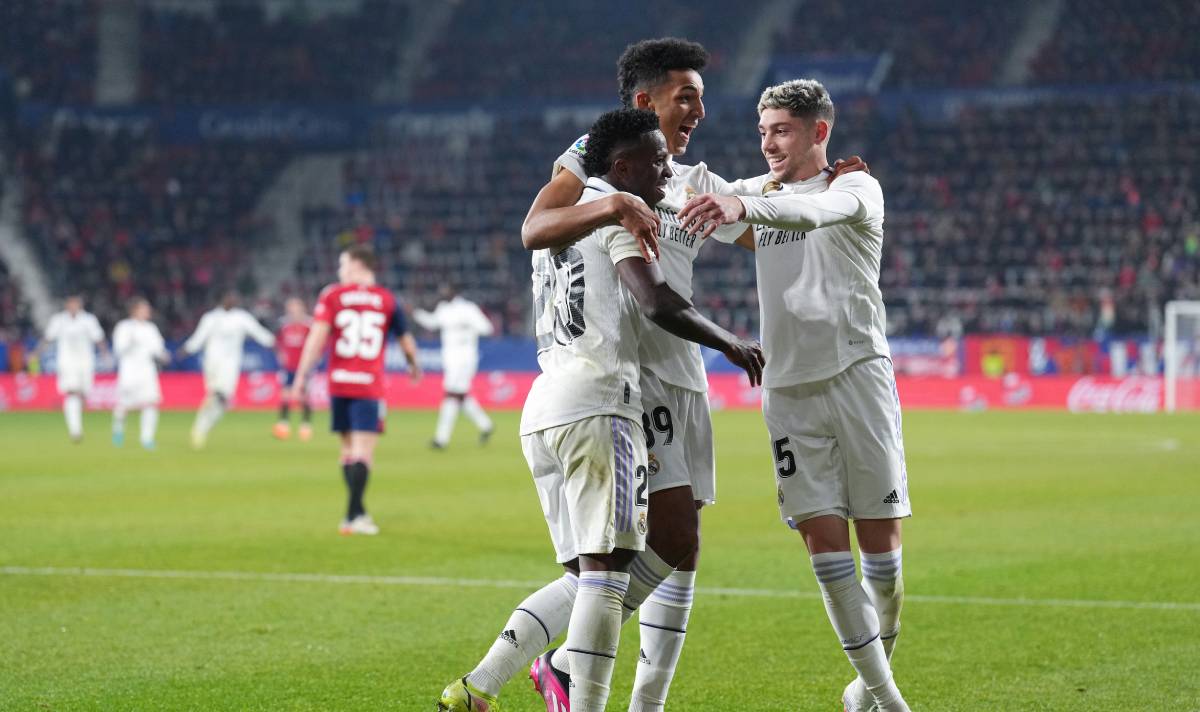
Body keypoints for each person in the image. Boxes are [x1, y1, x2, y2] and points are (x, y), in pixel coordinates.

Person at [519, 37, 867, 712]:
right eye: (687, 96)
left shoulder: (692, 181)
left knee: (680, 545)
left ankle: (622, 692)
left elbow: (765, 227)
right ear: (645, 100)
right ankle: (535, 669)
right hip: (627, 377)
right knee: (621, 559)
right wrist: (618, 205)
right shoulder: (600, 159)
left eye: (702, 97)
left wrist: (825, 184)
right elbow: (539, 224)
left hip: (683, 379)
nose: (701, 110)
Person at [438, 108, 763, 712]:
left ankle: (479, 687)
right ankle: (568, 691)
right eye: (656, 159)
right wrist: (733, 344)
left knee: (594, 578)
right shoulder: (616, 208)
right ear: (620, 165)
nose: (666, 168)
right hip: (600, 406)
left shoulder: (563, 220)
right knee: (607, 582)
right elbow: (655, 298)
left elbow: (537, 228)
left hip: (546, 408)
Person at [678, 79, 911, 712]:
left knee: (884, 565)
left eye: (782, 130)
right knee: (824, 547)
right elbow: (684, 187)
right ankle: (890, 702)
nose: (769, 144)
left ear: (819, 132)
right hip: (786, 390)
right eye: (762, 132)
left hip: (859, 376)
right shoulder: (754, 193)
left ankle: (868, 686)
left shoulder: (855, 188)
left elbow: (813, 212)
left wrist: (741, 209)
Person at [289, 246, 421, 536]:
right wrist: (414, 366)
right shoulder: (386, 300)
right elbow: (406, 340)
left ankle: (356, 512)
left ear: (358, 265)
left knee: (347, 451)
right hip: (368, 385)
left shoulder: (333, 295)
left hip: (338, 383)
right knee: (363, 454)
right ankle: (353, 515)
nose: (340, 270)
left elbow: (316, 339)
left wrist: (301, 377)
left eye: (343, 264)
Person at [180, 292, 276, 449]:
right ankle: (201, 426)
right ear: (222, 299)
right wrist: (186, 349)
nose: (232, 300)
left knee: (222, 403)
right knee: (216, 394)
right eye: (228, 297)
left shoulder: (242, 317)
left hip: (231, 365)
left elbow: (258, 332)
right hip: (213, 363)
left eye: (234, 297)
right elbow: (199, 338)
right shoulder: (211, 318)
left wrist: (272, 341)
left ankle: (201, 430)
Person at [414, 284, 495, 449]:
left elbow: (487, 328)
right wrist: (416, 313)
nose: (443, 293)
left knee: (451, 394)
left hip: (465, 358)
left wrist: (467, 326)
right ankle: (486, 425)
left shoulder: (468, 309)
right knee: (460, 395)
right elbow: (432, 323)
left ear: (455, 292)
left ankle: (441, 439)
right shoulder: (443, 308)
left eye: (446, 290)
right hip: (450, 359)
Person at [41, 295, 106, 443]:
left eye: (76, 304)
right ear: (66, 305)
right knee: (71, 393)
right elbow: (48, 338)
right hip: (67, 362)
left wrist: (105, 354)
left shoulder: (89, 320)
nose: (73, 306)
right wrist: (37, 353)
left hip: (85, 363)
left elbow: (98, 338)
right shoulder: (59, 320)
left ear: (80, 305)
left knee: (82, 394)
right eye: (71, 304)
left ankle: (78, 415)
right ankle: (75, 431)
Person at [111, 298, 168, 450]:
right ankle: (118, 432)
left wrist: (163, 355)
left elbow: (158, 348)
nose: (147, 312)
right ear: (134, 311)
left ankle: (147, 438)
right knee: (124, 405)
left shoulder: (151, 328)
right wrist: (130, 342)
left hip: (147, 370)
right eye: (144, 309)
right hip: (129, 370)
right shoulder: (123, 327)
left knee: (151, 403)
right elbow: (118, 350)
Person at [273, 297, 313, 442]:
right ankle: (283, 424)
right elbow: (277, 342)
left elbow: (317, 343)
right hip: (288, 367)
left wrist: (311, 360)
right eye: (291, 308)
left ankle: (306, 425)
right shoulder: (284, 326)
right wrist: (280, 355)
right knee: (285, 395)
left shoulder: (309, 325)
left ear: (302, 308)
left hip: (303, 367)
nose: (293, 311)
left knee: (303, 396)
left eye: (296, 308)